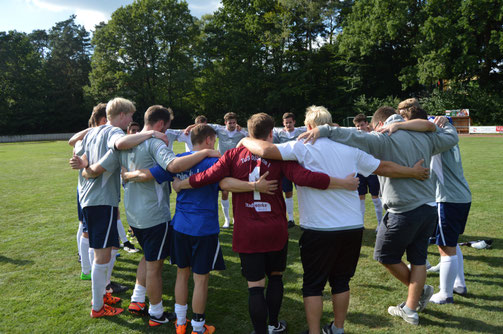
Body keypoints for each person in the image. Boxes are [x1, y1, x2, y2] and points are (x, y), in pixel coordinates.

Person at [239, 106, 430, 334]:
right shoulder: (349, 147)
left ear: (309, 127)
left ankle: (314, 332)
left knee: (312, 286)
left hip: (318, 229)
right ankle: (337, 329)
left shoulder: (301, 146)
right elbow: (383, 167)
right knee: (341, 282)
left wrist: (245, 140)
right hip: (352, 227)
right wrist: (412, 172)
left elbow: (266, 150)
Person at [173, 113, 360, 334]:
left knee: (255, 287)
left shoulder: (233, 154)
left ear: (249, 133)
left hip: (248, 230)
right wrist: (341, 183)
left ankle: (261, 331)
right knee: (276, 277)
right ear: (271, 133)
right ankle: (274, 324)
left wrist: (183, 184)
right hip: (275, 228)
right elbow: (305, 177)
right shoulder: (279, 156)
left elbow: (208, 175)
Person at [298, 106, 459, 326]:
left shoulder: (384, 137)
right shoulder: (425, 136)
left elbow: (354, 135)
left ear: (379, 124)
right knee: (418, 259)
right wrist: (446, 123)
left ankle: (417, 295)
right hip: (429, 208)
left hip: (402, 210)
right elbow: (450, 137)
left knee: (385, 255)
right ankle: (411, 309)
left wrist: (325, 130)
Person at [75, 105, 221, 327]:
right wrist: (206, 152)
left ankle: (136, 299)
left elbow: (97, 169)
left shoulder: (125, 143)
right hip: (154, 215)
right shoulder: (153, 143)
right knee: (155, 266)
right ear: (161, 124)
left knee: (147, 256)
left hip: (133, 214)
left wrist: (84, 169)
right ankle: (156, 313)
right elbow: (172, 165)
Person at [70, 97, 172, 318]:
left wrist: (86, 167)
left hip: (88, 198)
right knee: (102, 255)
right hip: (101, 200)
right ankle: (98, 306)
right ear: (123, 116)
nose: (131, 122)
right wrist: (152, 134)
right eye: (131, 117)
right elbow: (119, 145)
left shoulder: (93, 132)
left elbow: (76, 147)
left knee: (104, 251)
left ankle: (103, 296)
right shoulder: (114, 132)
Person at [391, 101, 471, 304]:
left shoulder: (431, 135)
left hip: (448, 197)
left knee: (445, 247)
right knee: (451, 243)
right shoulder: (443, 129)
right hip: (458, 196)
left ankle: (445, 294)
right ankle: (459, 284)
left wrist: (399, 126)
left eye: (405, 120)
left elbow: (424, 127)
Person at [272, 112, 307, 228]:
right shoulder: (278, 133)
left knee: (302, 192)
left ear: (294, 122)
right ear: (283, 123)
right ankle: (291, 219)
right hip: (285, 167)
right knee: (287, 192)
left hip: (298, 165)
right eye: (286, 123)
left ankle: (304, 220)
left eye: (290, 122)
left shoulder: (301, 131)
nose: (288, 124)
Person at [352, 114, 383, 229]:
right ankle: (360, 224)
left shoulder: (373, 136)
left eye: (361, 125)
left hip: (373, 172)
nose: (360, 128)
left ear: (367, 124)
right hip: (360, 172)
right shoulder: (354, 138)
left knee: (376, 198)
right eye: (357, 126)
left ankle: (380, 224)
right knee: (361, 198)